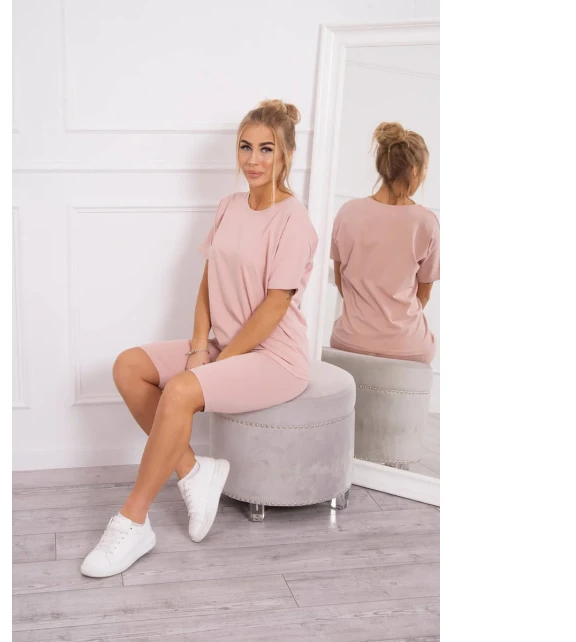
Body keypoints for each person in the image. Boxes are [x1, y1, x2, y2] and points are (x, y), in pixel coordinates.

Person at [80, 99, 319, 578]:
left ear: (287, 154)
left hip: (275, 357)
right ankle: (193, 470)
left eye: (267, 149)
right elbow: (209, 280)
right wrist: (197, 347)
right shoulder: (229, 206)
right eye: (246, 147)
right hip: (225, 345)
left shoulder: (294, 220)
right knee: (128, 367)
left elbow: (274, 306)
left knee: (181, 389)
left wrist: (217, 364)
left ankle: (133, 521)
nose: (253, 160)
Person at [329, 121, 440, 364]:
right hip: (408, 346)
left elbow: (340, 280)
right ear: (414, 170)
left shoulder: (347, 212)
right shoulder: (427, 222)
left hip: (350, 340)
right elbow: (423, 294)